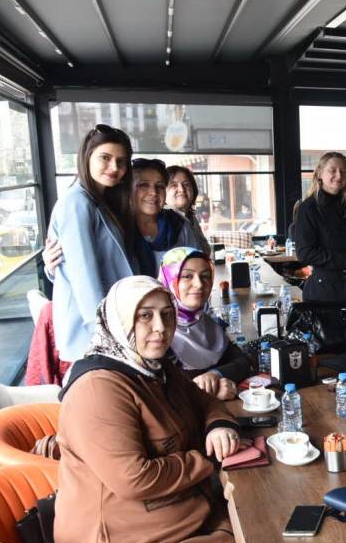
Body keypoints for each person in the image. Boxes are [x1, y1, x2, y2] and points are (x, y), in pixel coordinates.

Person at [53, 275, 276, 543]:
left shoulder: (156, 368)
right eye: (145, 316)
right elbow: (134, 479)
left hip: (176, 519)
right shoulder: (98, 388)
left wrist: (218, 426)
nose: (160, 327)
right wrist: (205, 460)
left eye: (167, 315)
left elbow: (205, 401)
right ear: (120, 321)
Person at [46, 124, 136, 362]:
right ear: (87, 157)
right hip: (92, 331)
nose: (114, 167)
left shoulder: (101, 200)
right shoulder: (77, 202)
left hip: (109, 320)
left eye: (121, 161)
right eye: (105, 158)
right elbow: (83, 275)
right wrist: (104, 334)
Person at [158, 246, 250, 398]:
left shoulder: (207, 323)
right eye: (187, 276)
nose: (199, 284)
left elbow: (243, 362)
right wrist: (208, 394)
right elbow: (162, 395)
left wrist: (215, 375)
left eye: (205, 276)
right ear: (169, 279)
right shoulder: (159, 333)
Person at [294, 152, 346, 306]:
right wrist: (345, 258)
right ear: (320, 173)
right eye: (333, 170)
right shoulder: (309, 208)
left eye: (343, 171)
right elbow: (304, 253)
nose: (339, 175)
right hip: (324, 294)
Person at [130, 158, 198, 275]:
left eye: (160, 186)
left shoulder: (179, 225)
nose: (153, 192)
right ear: (128, 190)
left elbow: (197, 268)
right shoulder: (119, 229)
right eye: (143, 185)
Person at [165, 165, 212, 254]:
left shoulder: (190, 218)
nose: (181, 189)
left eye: (186, 184)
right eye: (174, 185)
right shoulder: (165, 221)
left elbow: (205, 250)